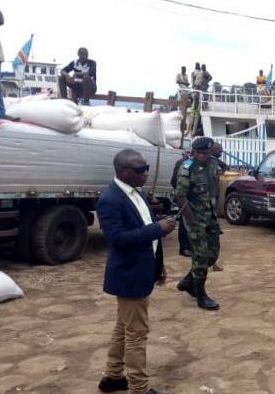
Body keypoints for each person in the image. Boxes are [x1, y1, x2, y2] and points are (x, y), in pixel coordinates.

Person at [96, 149, 176, 394]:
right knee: (137, 335)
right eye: (139, 170)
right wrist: (158, 229)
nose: (145, 173)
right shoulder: (110, 199)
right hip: (128, 275)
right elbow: (117, 238)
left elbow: (145, 230)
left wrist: (157, 264)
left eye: (147, 168)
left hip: (142, 270)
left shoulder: (138, 193)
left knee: (124, 327)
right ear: (122, 171)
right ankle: (139, 388)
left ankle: (112, 377)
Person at [175, 137, 222, 310]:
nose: (204, 156)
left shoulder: (212, 164)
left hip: (210, 217)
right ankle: (201, 295)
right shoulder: (187, 168)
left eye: (207, 153)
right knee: (201, 256)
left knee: (212, 255)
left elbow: (214, 187)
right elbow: (180, 197)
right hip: (195, 219)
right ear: (194, 152)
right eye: (201, 153)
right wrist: (192, 222)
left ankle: (188, 281)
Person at [209, 142, 227, 272]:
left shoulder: (214, 162)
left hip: (213, 199)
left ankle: (213, 261)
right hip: (204, 204)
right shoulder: (206, 163)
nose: (221, 153)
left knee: (213, 234)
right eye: (219, 151)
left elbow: (223, 167)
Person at [170, 151, 192, 258]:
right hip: (184, 197)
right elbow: (174, 181)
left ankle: (191, 246)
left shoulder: (205, 163)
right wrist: (182, 191)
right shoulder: (185, 163)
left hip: (196, 200)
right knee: (184, 222)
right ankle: (184, 248)